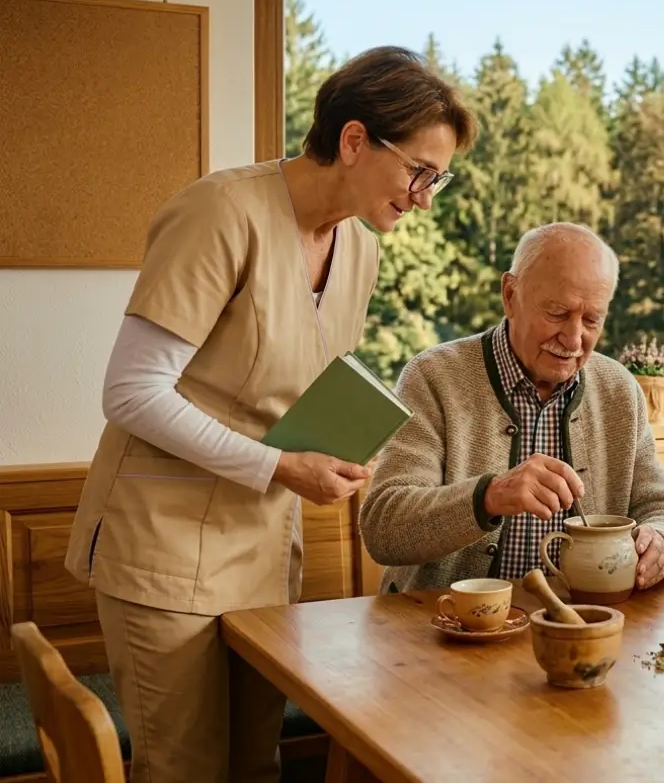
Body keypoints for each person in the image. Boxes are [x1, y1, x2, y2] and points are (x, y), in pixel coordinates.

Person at [63, 46, 478, 783]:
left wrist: (343, 447)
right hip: (160, 552)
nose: (424, 197)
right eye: (418, 171)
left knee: (258, 768)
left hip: (261, 553)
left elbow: (295, 387)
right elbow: (131, 392)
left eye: (436, 179)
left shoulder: (359, 247)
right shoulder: (220, 212)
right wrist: (281, 466)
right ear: (354, 141)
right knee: (186, 770)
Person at [359, 222, 664, 592]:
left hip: (579, 622)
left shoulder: (619, 389)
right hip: (448, 626)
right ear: (510, 294)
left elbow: (662, 510)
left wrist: (661, 541)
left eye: (592, 320)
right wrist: (489, 497)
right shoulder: (434, 376)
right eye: (557, 313)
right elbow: (384, 527)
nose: (573, 338)